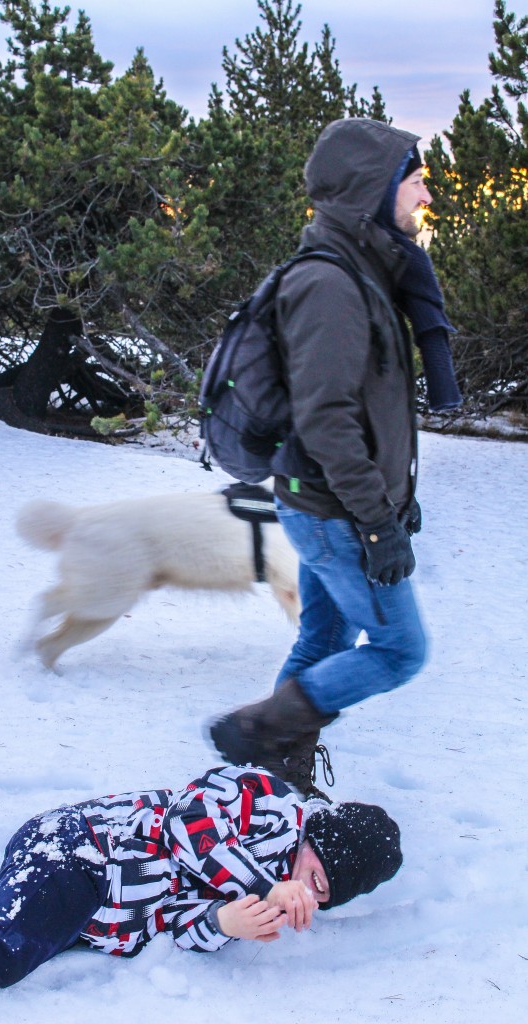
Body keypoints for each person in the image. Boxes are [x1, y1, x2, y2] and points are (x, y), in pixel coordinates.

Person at [209, 117, 462, 797]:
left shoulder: (362, 270)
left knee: (322, 642)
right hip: (336, 513)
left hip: (327, 507)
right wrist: (376, 522)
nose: (423, 196)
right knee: (399, 651)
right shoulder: (329, 285)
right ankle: (258, 730)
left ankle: (275, 781)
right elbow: (326, 419)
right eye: (413, 182)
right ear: (371, 191)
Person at [0, 764, 402, 1023]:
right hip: (84, 854)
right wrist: (263, 883)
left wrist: (225, 923)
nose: (307, 891)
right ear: (316, 838)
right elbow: (192, 819)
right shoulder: (274, 807)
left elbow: (179, 923)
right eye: (315, 874)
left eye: (322, 896)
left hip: (89, 907)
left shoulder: (267, 891)